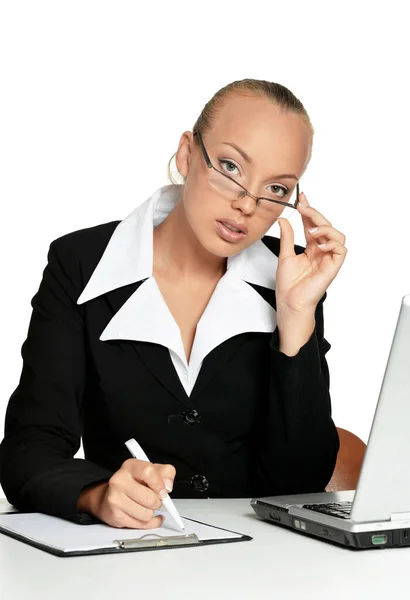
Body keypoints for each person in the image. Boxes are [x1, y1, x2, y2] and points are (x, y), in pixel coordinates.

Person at [0, 79, 347, 529]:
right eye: (230, 166)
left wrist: (296, 319)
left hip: (256, 566)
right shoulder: (81, 264)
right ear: (186, 154)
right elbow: (29, 449)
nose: (246, 203)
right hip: (126, 561)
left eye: (277, 189)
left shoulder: (291, 277)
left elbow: (299, 483)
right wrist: (97, 495)